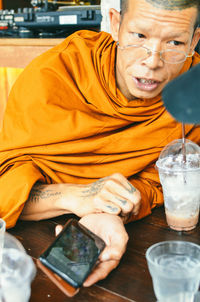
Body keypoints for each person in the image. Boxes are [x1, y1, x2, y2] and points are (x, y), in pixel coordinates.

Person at [0, 0, 200, 287]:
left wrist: (111, 212)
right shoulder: (56, 73)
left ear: (194, 41)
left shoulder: (191, 94)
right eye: (139, 36)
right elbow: (5, 184)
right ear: (116, 25)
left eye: (175, 42)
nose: (153, 61)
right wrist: (73, 196)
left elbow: (159, 182)